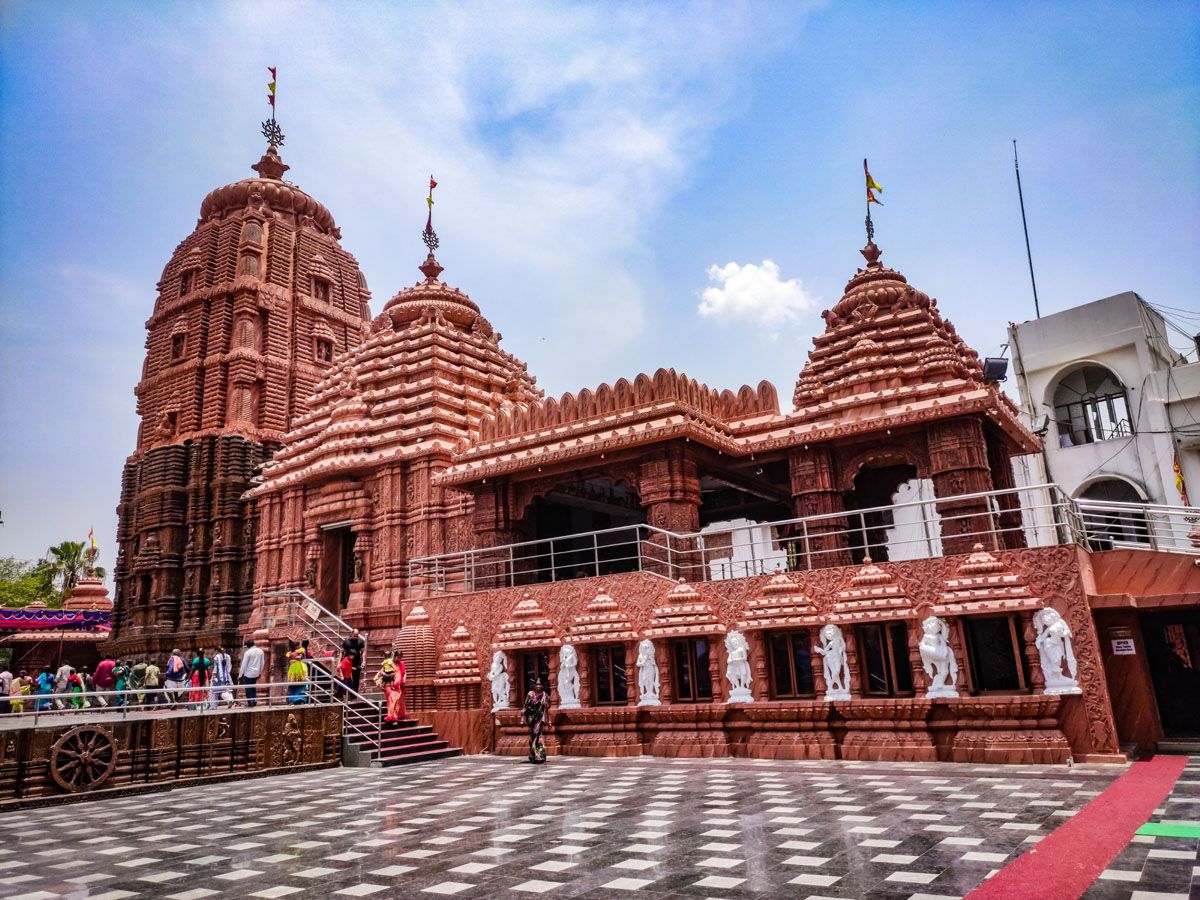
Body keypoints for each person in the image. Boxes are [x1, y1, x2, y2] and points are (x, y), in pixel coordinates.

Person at [522, 679, 550, 764]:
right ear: (534, 685)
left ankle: (539, 756)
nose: (538, 686)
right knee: (533, 736)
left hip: (539, 719)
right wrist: (522, 719)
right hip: (531, 718)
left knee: (538, 736)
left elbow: (547, 709)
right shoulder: (530, 694)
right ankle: (533, 755)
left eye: (540, 684)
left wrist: (549, 720)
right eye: (537, 684)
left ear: (542, 686)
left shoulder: (545, 696)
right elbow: (525, 707)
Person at [378, 650, 406, 724]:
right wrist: (387, 675)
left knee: (397, 701)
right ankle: (391, 716)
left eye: (400, 658)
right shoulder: (389, 662)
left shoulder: (401, 664)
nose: (399, 659)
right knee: (391, 700)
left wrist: (404, 680)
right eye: (398, 657)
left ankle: (395, 716)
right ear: (394, 656)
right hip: (389, 684)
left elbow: (404, 673)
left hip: (398, 685)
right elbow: (381, 672)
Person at [238, 639, 264, 707]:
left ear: (248, 646)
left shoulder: (248, 652)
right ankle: (254, 700)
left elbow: (244, 665)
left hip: (248, 673)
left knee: (248, 687)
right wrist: (260, 672)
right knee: (253, 686)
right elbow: (262, 663)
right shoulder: (260, 651)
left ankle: (250, 701)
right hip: (256, 672)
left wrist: (240, 675)